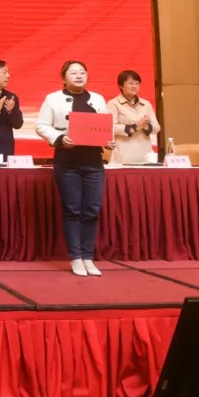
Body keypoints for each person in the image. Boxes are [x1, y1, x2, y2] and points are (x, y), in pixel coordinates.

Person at [35, 60, 114, 277]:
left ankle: (88, 256)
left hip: (93, 162)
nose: (79, 76)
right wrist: (60, 138)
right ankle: (76, 257)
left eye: (82, 72)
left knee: (92, 209)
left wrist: (108, 141)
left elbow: (105, 126)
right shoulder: (53, 99)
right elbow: (41, 125)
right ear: (64, 78)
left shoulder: (97, 98)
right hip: (67, 161)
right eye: (73, 73)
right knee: (72, 209)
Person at [107, 70, 160, 164]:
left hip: (145, 154)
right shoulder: (113, 104)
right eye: (131, 83)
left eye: (137, 83)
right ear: (121, 85)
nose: (134, 86)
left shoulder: (146, 104)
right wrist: (134, 127)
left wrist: (146, 126)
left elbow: (157, 127)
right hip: (124, 154)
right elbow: (110, 127)